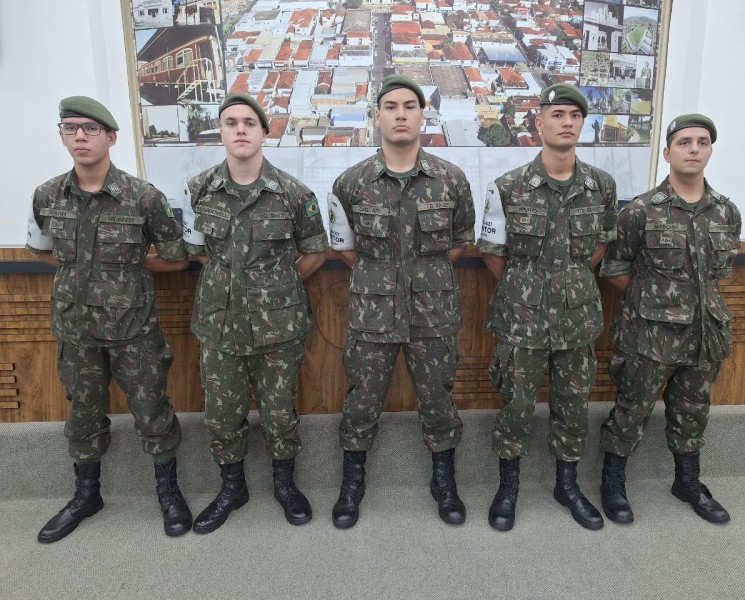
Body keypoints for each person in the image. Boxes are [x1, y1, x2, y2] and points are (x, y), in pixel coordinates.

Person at [27, 96, 191, 542]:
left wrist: (128, 269)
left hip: (133, 330)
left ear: (111, 137)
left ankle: (169, 492)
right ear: (62, 135)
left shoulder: (143, 197)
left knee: (152, 411)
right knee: (83, 413)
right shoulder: (47, 194)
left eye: (90, 129)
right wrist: (82, 271)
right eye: (70, 128)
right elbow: (41, 250)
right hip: (75, 330)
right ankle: (86, 495)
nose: (79, 136)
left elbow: (175, 257)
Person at [327, 75, 475, 529]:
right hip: (373, 311)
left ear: (423, 115)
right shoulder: (351, 183)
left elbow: (460, 240)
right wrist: (383, 274)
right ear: (377, 118)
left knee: (438, 399)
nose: (401, 114)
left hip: (434, 311)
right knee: (361, 400)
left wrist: (419, 275)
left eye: (410, 106)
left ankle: (444, 483)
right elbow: (344, 245)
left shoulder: (450, 179)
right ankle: (352, 485)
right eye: (390, 107)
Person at [183, 93, 328, 533]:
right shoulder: (199, 190)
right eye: (231, 122)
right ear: (222, 132)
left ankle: (285, 485)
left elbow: (315, 252)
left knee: (280, 411)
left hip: (277, 326)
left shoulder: (294, 193)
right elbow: (198, 252)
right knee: (222, 414)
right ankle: (232, 488)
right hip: (220, 322)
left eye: (249, 122)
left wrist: (273, 286)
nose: (240, 129)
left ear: (265, 132)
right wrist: (235, 284)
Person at [477, 84, 618, 531]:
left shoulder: (602, 186)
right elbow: (494, 255)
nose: (567, 122)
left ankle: (567, 485)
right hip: (522, 318)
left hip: (577, 318)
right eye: (557, 114)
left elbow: (597, 249)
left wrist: (564, 281)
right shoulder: (507, 187)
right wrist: (532, 287)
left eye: (574, 115)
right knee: (515, 406)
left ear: (583, 124)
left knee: (573, 405)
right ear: (539, 123)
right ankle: (508, 487)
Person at [599, 114, 741, 525]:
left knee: (693, 411)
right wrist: (657, 303)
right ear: (667, 153)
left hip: (704, 336)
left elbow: (719, 276)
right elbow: (615, 269)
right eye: (684, 142)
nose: (693, 149)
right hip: (649, 337)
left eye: (701, 142)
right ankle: (613, 483)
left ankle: (688, 482)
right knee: (632, 410)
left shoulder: (726, 212)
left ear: (710, 151)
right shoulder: (641, 211)